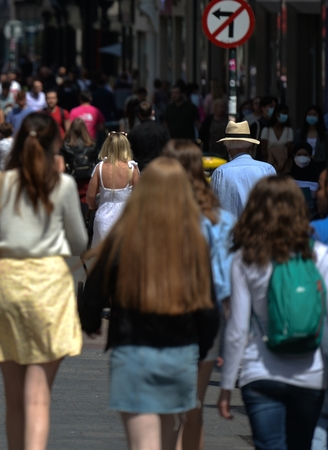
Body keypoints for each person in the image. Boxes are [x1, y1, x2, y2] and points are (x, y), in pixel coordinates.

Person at [0, 112, 87, 450]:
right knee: (39, 395)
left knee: (15, 397)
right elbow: (80, 243)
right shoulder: (63, 184)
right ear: (54, 143)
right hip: (50, 288)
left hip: (7, 286)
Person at [79, 157, 218, 450]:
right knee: (169, 430)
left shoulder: (124, 236)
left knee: (143, 441)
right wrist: (203, 346)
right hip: (179, 351)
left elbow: (93, 292)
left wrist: (90, 323)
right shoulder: (193, 240)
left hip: (133, 350)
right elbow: (207, 306)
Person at [219, 176, 328, 450]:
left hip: (260, 373)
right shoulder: (320, 256)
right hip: (310, 375)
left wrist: (226, 384)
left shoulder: (245, 259)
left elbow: (237, 329)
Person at [160, 140, 236, 450]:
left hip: (161, 315)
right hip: (205, 315)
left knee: (165, 409)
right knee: (194, 407)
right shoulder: (220, 219)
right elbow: (224, 283)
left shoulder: (153, 217)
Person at [210, 121, 276, 218]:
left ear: (227, 148)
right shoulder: (267, 169)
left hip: (230, 231)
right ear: (250, 146)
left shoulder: (220, 172)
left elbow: (213, 207)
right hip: (261, 231)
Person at [87, 132, 139, 246]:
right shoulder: (132, 168)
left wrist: (93, 206)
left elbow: (91, 195)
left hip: (103, 217)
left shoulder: (100, 168)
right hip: (126, 217)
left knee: (103, 257)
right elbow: (139, 196)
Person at [127, 101, 172, 171]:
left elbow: (130, 152)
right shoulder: (163, 130)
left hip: (140, 169)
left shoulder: (134, 132)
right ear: (153, 113)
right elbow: (168, 149)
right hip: (159, 168)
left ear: (139, 115)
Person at [289, 141, 322, 217]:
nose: (302, 157)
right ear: (294, 156)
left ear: (310, 157)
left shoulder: (318, 179)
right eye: (299, 155)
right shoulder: (287, 178)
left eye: (305, 155)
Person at [261, 104, 295, 174]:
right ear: (276, 114)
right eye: (283, 113)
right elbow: (263, 150)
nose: (285, 115)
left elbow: (289, 149)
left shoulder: (289, 130)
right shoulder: (266, 130)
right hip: (269, 164)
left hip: (284, 166)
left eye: (286, 113)